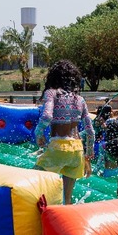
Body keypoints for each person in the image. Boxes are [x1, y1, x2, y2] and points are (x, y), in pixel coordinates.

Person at [33, 60, 95, 205]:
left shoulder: (52, 93)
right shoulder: (80, 99)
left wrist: (39, 132)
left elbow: (47, 116)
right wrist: (87, 157)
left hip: (59, 147)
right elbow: (90, 131)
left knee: (32, 180)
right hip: (77, 150)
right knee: (67, 201)